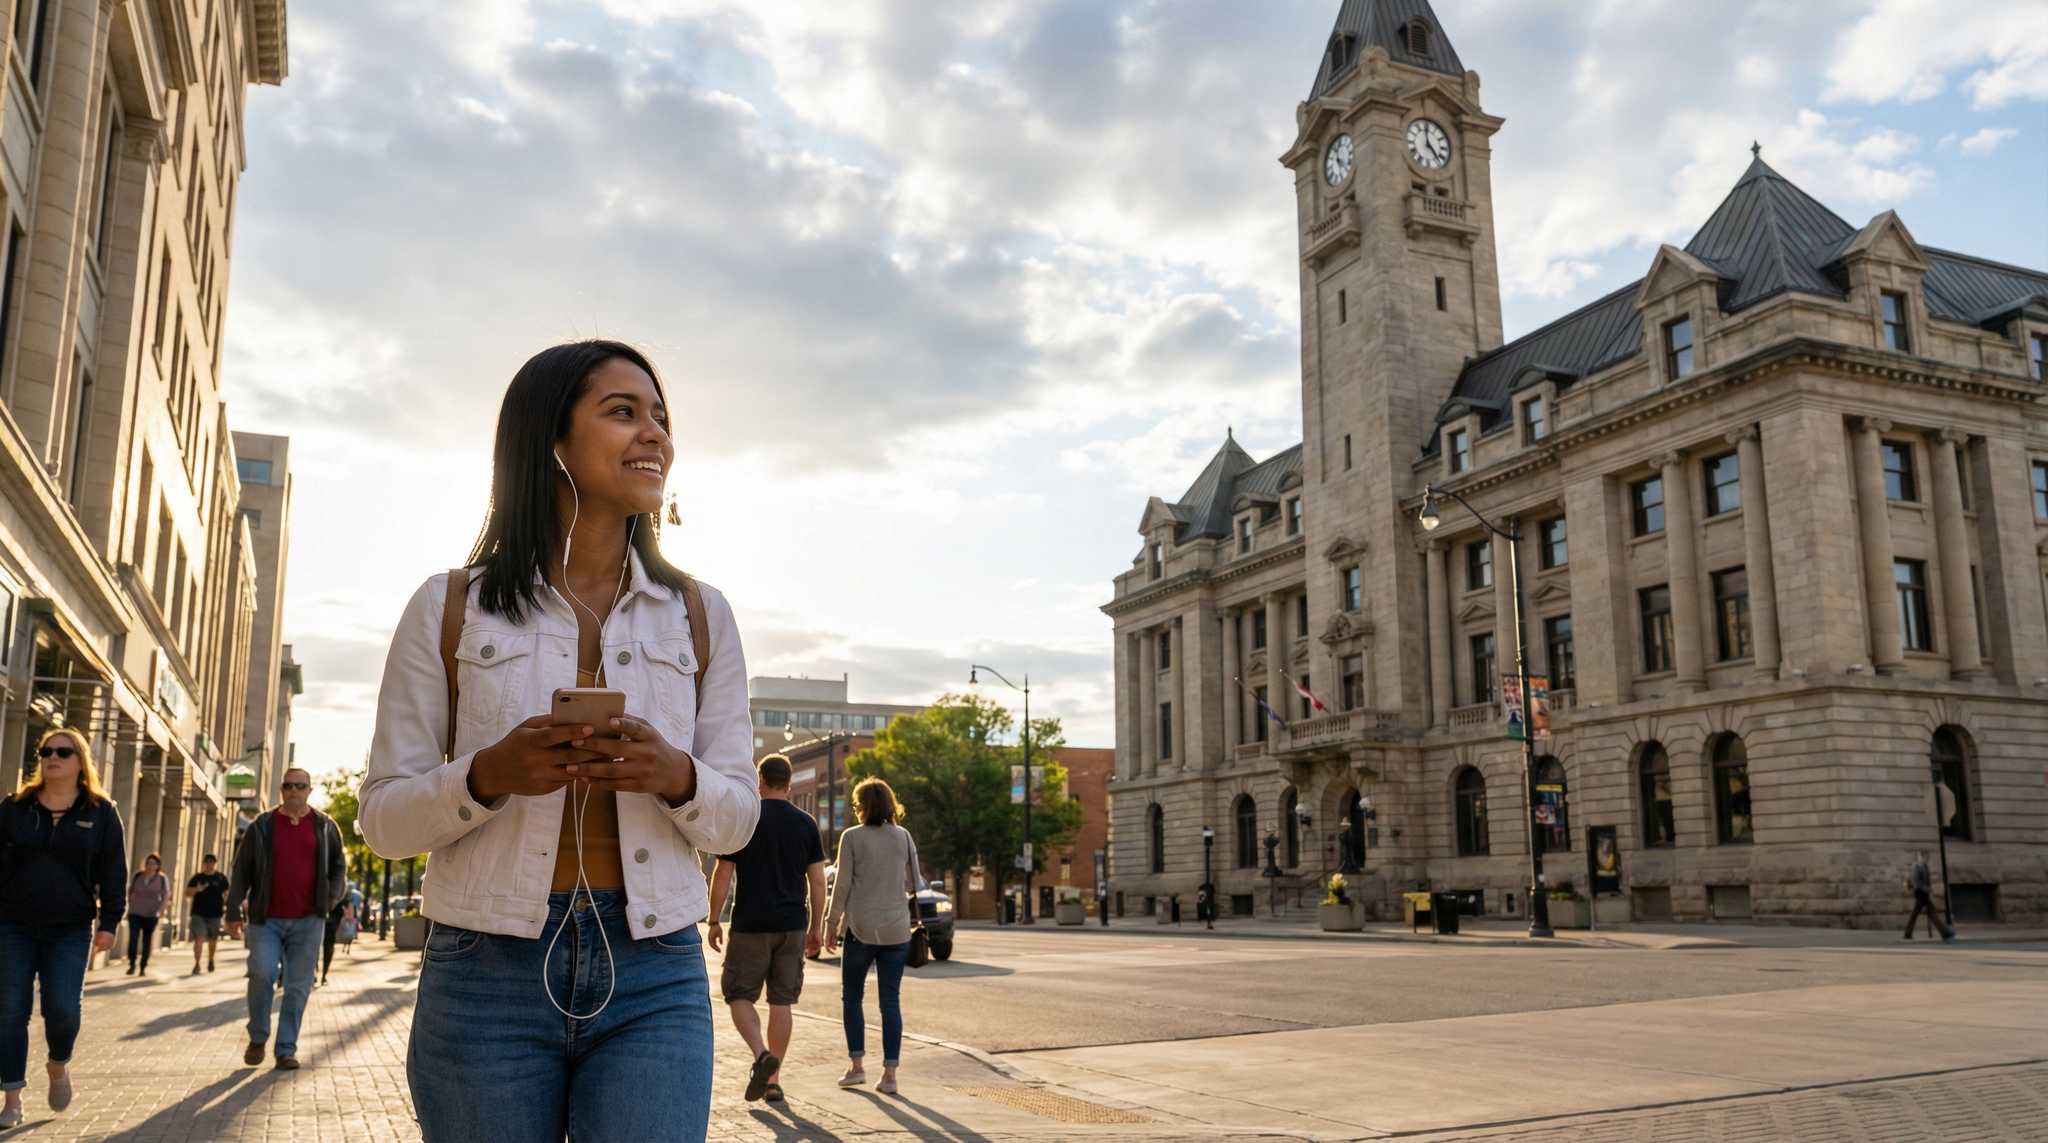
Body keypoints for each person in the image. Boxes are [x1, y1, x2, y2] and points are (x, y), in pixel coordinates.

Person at [359, 340, 758, 1143]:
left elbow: (739, 818)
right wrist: (488, 774)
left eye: (661, 417)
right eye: (622, 412)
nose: (655, 435)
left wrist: (676, 775)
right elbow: (383, 821)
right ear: (550, 441)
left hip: (655, 968)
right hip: (483, 969)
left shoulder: (702, 614)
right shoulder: (448, 606)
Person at [0, 729, 125, 1128]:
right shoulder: (14, 808)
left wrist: (109, 923)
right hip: (13, 925)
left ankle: (58, 1065)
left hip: (70, 928)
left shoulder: (101, 812)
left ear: (80, 760)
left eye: (62, 752)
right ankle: (13, 1098)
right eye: (46, 751)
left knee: (63, 1011)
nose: (52, 757)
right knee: (9, 1011)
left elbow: (113, 873)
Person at [707, 754, 826, 1104]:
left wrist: (714, 919)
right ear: (789, 784)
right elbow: (818, 881)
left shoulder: (746, 819)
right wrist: (816, 927)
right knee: (782, 1001)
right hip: (792, 926)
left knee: (739, 995)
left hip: (751, 924)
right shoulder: (806, 824)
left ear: (760, 780)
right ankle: (773, 1080)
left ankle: (761, 1054)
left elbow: (723, 873)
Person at [225, 768, 348, 1070]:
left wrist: (327, 902)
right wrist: (231, 912)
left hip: (309, 921)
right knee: (262, 974)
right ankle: (258, 1036)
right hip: (266, 919)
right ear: (281, 790)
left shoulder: (325, 827)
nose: (294, 791)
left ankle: (286, 1049)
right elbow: (241, 870)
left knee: (297, 986)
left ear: (309, 789)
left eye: (300, 786)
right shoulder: (262, 826)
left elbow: (338, 869)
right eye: (288, 786)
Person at [824, 777, 921, 1097]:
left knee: (852, 998)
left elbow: (842, 885)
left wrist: (830, 922)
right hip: (897, 929)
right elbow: (915, 882)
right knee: (889, 1002)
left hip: (860, 930)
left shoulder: (852, 837)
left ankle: (856, 1068)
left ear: (861, 807)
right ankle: (890, 1075)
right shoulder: (904, 837)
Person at [123, 853, 170, 976]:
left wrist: (160, 911)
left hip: (151, 914)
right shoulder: (138, 875)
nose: (150, 866)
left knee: (146, 940)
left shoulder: (162, 879)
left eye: (153, 864)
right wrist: (128, 906)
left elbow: (166, 896)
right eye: (148, 863)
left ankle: (143, 966)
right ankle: (132, 964)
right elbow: (129, 891)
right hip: (135, 913)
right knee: (133, 939)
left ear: (157, 866)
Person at [185, 854, 229, 974]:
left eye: (212, 862)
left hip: (215, 914)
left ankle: (210, 959)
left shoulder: (221, 878)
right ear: (204, 863)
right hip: (198, 914)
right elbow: (187, 893)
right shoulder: (197, 878)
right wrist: (196, 890)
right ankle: (197, 964)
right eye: (207, 862)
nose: (209, 864)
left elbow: (227, 893)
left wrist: (228, 905)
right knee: (199, 938)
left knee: (212, 941)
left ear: (215, 864)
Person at [1903, 850, 1955, 943]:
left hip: (1924, 894)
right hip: (1920, 893)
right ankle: (1945, 933)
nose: (1927, 859)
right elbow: (1916, 882)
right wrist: (1927, 889)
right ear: (1920, 857)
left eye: (1927, 857)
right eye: (1925, 857)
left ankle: (1908, 934)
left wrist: (1928, 889)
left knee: (1922, 914)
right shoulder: (1916, 866)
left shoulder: (1925, 866)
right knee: (1930, 914)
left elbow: (1926, 881)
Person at [320, 884, 357, 986]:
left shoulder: (342, 888)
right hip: (326, 924)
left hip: (326, 924)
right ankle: (322, 975)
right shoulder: (342, 888)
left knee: (321, 950)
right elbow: (350, 911)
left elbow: (349, 910)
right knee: (325, 950)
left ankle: (321, 974)